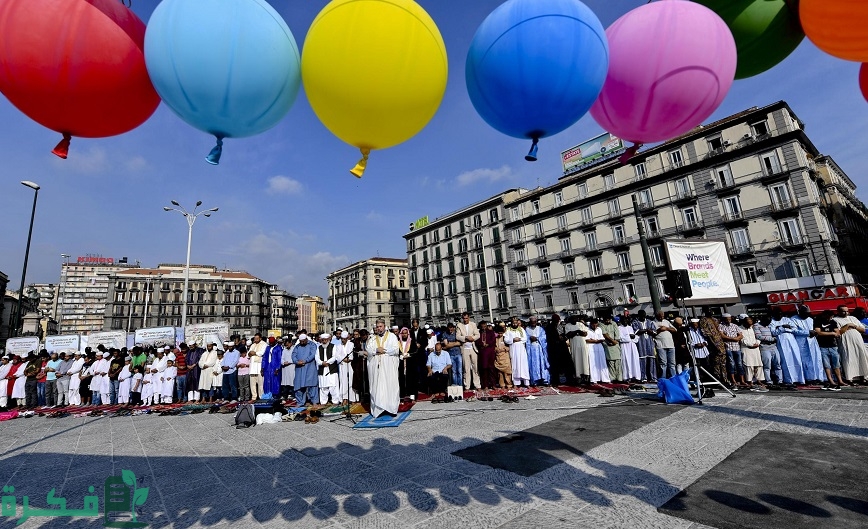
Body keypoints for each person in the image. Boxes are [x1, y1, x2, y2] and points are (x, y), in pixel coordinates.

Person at [366, 319, 400, 417]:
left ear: (384, 326)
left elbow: (396, 349)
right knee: (377, 386)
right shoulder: (372, 338)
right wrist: (376, 350)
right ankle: (378, 410)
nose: (379, 328)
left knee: (390, 386)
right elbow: (368, 350)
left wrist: (384, 350)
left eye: (380, 326)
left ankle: (391, 408)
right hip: (376, 368)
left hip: (388, 367)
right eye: (377, 327)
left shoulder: (392, 336)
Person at [831, 305, 868, 385]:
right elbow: (839, 332)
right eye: (843, 311)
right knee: (848, 359)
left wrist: (853, 326)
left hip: (858, 341)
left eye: (847, 311)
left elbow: (863, 330)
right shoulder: (835, 320)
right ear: (838, 311)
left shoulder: (853, 318)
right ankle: (850, 379)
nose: (845, 313)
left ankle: (863, 377)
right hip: (845, 342)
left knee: (861, 358)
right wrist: (847, 326)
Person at [790, 305, 825, 384]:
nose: (807, 315)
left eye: (808, 313)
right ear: (800, 312)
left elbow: (814, 329)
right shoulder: (793, 319)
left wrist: (814, 333)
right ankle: (808, 378)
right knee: (805, 360)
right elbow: (794, 331)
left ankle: (818, 378)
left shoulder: (810, 319)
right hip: (801, 342)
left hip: (812, 341)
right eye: (805, 313)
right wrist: (808, 332)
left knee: (816, 359)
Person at [770, 307, 805, 386]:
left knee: (796, 359)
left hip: (791, 341)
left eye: (780, 314)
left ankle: (799, 379)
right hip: (781, 342)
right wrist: (783, 327)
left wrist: (780, 328)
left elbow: (793, 329)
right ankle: (789, 380)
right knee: (785, 361)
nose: (779, 316)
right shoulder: (772, 322)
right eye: (777, 314)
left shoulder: (787, 319)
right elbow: (774, 332)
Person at [813, 310, 845, 390]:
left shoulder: (833, 322)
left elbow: (837, 332)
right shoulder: (818, 322)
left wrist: (834, 333)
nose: (829, 318)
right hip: (822, 346)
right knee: (827, 365)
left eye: (831, 317)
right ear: (824, 315)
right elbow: (819, 332)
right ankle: (831, 381)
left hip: (833, 345)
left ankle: (840, 380)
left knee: (836, 364)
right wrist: (832, 333)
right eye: (828, 316)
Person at [753, 315, 782, 387]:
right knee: (767, 365)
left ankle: (780, 380)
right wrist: (772, 339)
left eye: (769, 322)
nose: (768, 324)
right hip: (764, 347)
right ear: (763, 320)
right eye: (767, 322)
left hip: (773, 346)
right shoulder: (756, 325)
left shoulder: (769, 326)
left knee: (777, 364)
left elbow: (774, 333)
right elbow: (759, 336)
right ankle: (769, 381)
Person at [719, 313, 745, 389]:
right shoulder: (721, 326)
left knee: (739, 364)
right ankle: (733, 380)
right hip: (728, 347)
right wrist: (733, 339)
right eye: (727, 319)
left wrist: (737, 338)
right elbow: (722, 335)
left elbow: (740, 335)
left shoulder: (734, 325)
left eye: (729, 319)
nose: (728, 320)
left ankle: (742, 380)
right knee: (731, 364)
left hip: (736, 347)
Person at [456, 312, 481, 390]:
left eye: (466, 318)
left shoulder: (473, 324)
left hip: (473, 348)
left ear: (469, 318)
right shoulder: (459, 325)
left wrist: (472, 338)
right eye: (464, 318)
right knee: (466, 368)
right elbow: (458, 336)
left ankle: (477, 385)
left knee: (475, 367)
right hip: (464, 349)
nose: (465, 320)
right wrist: (466, 338)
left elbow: (478, 335)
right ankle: (467, 386)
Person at [292, 334, 319, 406]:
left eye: (304, 341)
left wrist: (305, 361)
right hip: (299, 368)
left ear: (306, 339)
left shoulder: (312, 345)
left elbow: (313, 354)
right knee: (298, 385)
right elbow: (293, 355)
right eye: (301, 341)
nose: (302, 343)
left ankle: (314, 401)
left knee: (312, 384)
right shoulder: (297, 347)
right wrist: (297, 361)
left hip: (310, 367)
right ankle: (300, 402)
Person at [504, 317, 530, 387]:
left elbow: (525, 338)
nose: (515, 324)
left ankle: (526, 382)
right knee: (515, 365)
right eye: (513, 323)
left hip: (521, 349)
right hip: (513, 349)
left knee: (523, 365)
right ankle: (516, 383)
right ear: (511, 323)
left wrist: (519, 339)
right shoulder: (508, 330)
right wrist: (513, 340)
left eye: (516, 323)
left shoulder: (521, 329)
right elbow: (506, 339)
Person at [739, 316, 764, 390]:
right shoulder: (740, 328)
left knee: (758, 365)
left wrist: (757, 343)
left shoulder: (753, 328)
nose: (750, 324)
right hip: (746, 348)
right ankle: (750, 381)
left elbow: (758, 336)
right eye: (748, 322)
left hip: (755, 348)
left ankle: (759, 380)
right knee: (748, 365)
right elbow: (742, 339)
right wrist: (750, 345)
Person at [526, 316, 550, 386]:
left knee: (542, 364)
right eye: (532, 322)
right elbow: (525, 338)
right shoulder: (527, 329)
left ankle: (544, 379)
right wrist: (530, 338)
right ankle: (535, 380)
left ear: (536, 322)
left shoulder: (540, 329)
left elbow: (544, 338)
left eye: (534, 322)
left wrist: (537, 338)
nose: (533, 323)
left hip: (540, 349)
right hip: (531, 349)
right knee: (534, 364)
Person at [585, 319, 611, 384]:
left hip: (599, 346)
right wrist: (595, 341)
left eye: (596, 325)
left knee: (602, 361)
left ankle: (605, 379)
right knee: (593, 362)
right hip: (591, 347)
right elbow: (587, 340)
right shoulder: (587, 329)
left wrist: (595, 340)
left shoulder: (599, 329)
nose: (595, 326)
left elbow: (602, 338)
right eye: (594, 325)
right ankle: (594, 379)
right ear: (591, 324)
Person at [566, 315, 590, 385]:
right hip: (574, 344)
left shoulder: (580, 324)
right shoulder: (568, 325)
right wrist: (578, 331)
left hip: (582, 344)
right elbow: (569, 334)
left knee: (584, 360)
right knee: (576, 359)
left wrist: (577, 332)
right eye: (573, 319)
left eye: (575, 319)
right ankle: (578, 377)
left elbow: (585, 333)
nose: (574, 320)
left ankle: (586, 376)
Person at [316, 333, 339, 405]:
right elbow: (316, 357)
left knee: (333, 386)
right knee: (323, 387)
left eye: (326, 340)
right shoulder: (319, 348)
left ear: (328, 340)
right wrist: (322, 363)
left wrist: (328, 362)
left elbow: (335, 356)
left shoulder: (333, 346)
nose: (324, 341)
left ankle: (335, 401)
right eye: (323, 340)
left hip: (331, 368)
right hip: (322, 369)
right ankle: (323, 402)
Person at [653, 311, 677, 379]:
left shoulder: (666, 322)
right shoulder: (653, 323)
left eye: (663, 316)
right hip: (661, 345)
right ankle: (663, 378)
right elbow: (652, 333)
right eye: (660, 316)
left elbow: (675, 330)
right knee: (663, 364)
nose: (662, 317)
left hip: (671, 345)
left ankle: (673, 378)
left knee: (672, 364)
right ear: (657, 316)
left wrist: (667, 328)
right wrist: (660, 330)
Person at [334, 331, 356, 404]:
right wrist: (343, 359)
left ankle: (351, 398)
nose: (342, 340)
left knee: (350, 380)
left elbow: (351, 354)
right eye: (341, 339)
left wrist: (348, 359)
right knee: (343, 381)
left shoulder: (351, 344)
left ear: (347, 338)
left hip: (350, 365)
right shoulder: (338, 346)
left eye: (344, 339)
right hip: (342, 365)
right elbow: (337, 355)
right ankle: (344, 398)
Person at [599, 315, 621, 383]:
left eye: (609, 320)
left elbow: (617, 333)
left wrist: (615, 341)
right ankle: (613, 378)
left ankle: (619, 378)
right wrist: (612, 341)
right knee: (610, 362)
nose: (608, 321)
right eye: (606, 320)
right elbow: (605, 335)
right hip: (607, 344)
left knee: (618, 362)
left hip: (615, 344)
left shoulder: (614, 323)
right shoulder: (601, 325)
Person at [476, 321, 498, 390]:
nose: (483, 328)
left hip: (490, 352)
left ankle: (493, 384)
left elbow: (493, 340)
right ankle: (485, 385)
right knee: (484, 369)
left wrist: (488, 344)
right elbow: (476, 341)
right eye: (482, 327)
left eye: (485, 326)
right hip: (482, 353)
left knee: (491, 369)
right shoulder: (478, 333)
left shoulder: (491, 332)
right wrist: (481, 344)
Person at [618, 317, 641, 382]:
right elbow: (620, 338)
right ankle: (627, 377)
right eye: (624, 320)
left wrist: (634, 337)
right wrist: (629, 336)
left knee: (634, 361)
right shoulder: (619, 328)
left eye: (626, 320)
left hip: (632, 346)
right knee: (626, 361)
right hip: (625, 346)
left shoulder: (630, 327)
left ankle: (636, 376)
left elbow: (635, 337)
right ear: (621, 321)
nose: (625, 322)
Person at [493, 324, 514, 389]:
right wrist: (496, 349)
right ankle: (502, 385)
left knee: (507, 372)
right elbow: (493, 347)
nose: (500, 335)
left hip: (505, 357)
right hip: (498, 357)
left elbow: (509, 347)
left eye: (501, 333)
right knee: (500, 373)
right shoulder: (495, 339)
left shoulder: (505, 338)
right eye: (498, 333)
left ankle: (509, 385)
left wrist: (503, 349)